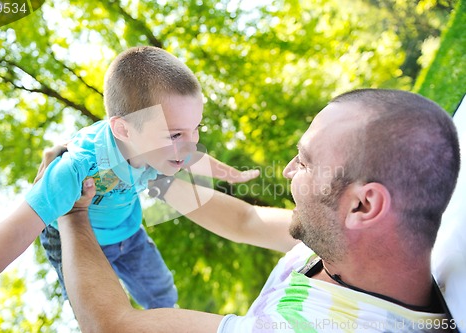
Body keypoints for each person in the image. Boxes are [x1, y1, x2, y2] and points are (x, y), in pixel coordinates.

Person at [59, 89, 459, 332]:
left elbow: (115, 325)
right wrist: (155, 171)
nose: (287, 170)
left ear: (362, 204)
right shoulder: (353, 245)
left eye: (303, 162)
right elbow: (244, 221)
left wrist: (71, 213)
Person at [0, 46, 259, 307]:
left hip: (126, 234)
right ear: (124, 130)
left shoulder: (162, 151)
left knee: (163, 295)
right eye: (175, 134)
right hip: (73, 239)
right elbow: (15, 231)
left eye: (195, 129)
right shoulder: (79, 166)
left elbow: (196, 159)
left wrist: (231, 174)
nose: (190, 143)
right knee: (96, 313)